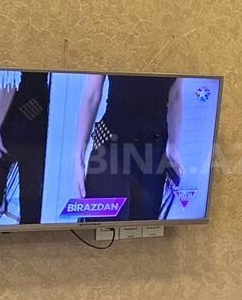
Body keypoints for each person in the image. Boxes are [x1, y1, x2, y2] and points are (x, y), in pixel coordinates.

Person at [71, 74, 184, 222]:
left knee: (144, 228)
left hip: (154, 155)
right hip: (111, 151)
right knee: (102, 228)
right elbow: (92, 96)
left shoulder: (177, 60)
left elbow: (175, 95)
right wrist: (78, 158)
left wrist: (174, 147)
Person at [0, 70, 51, 226]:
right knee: (30, 195)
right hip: (33, 115)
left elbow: (9, 81)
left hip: (11, 121)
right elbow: (9, 80)